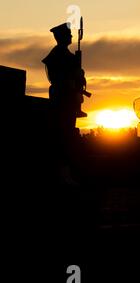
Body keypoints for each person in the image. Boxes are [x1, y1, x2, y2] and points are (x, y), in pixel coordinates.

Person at [42, 22, 86, 185]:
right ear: (61, 37)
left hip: (68, 99)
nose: (71, 36)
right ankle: (61, 172)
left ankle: (65, 170)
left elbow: (75, 77)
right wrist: (75, 74)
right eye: (68, 35)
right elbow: (58, 78)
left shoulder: (66, 55)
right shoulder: (59, 55)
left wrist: (79, 74)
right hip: (62, 98)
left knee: (67, 135)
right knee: (62, 136)